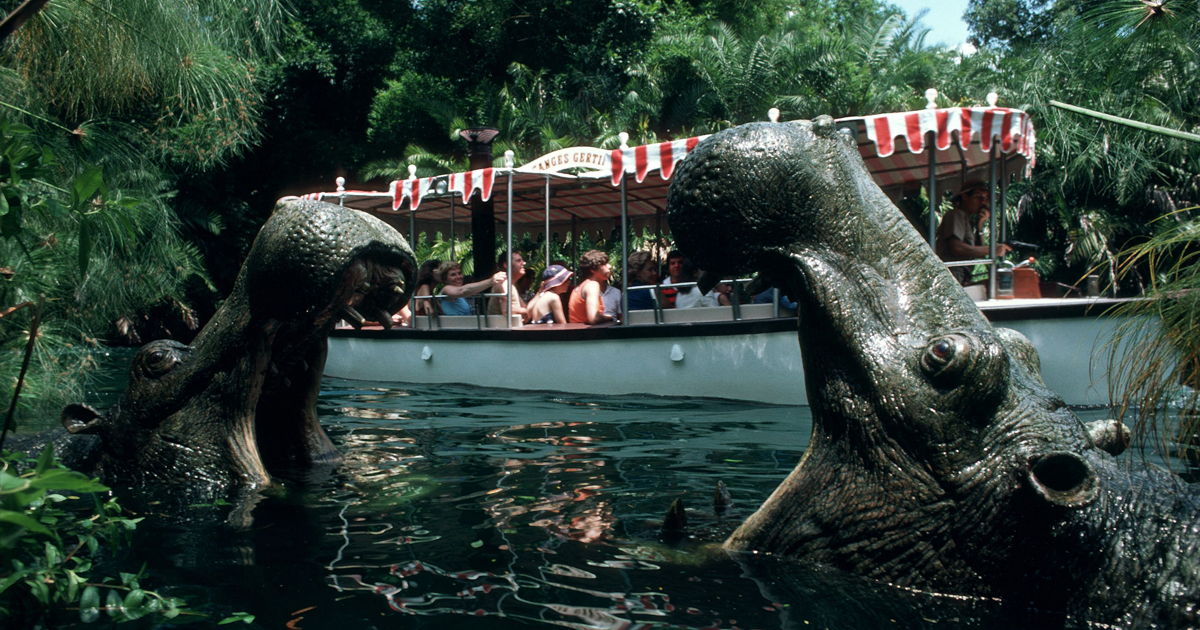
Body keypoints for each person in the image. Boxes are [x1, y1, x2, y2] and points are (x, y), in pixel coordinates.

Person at [935, 179, 1011, 285]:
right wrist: (993, 250)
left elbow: (977, 251)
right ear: (965, 197)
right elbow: (957, 248)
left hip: (963, 273)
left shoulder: (967, 219)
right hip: (953, 273)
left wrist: (979, 225)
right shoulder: (956, 215)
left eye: (985, 198)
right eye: (978, 196)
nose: (983, 202)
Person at [436, 260, 505, 315]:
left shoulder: (460, 296)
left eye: (459, 273)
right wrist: (491, 281)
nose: (458, 277)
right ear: (445, 279)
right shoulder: (446, 289)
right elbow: (462, 291)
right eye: (453, 275)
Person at [568, 250, 616, 324]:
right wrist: (609, 317)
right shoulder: (592, 285)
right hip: (587, 333)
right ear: (592, 269)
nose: (609, 266)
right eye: (604, 264)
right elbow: (594, 318)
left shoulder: (581, 286)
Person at [488, 250, 531, 323]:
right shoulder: (503, 284)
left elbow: (526, 309)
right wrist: (523, 311)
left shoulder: (511, 285)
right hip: (502, 332)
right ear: (506, 265)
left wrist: (540, 292)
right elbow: (506, 310)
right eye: (518, 260)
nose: (524, 263)